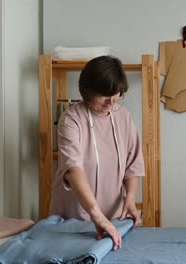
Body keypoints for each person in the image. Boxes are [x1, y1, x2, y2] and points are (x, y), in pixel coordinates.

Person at [50, 55, 145, 250]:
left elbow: (132, 164)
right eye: (104, 95)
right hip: (74, 220)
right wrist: (96, 214)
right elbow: (73, 169)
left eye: (116, 94)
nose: (111, 102)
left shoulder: (123, 117)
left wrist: (130, 199)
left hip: (113, 219)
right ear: (87, 92)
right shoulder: (71, 120)